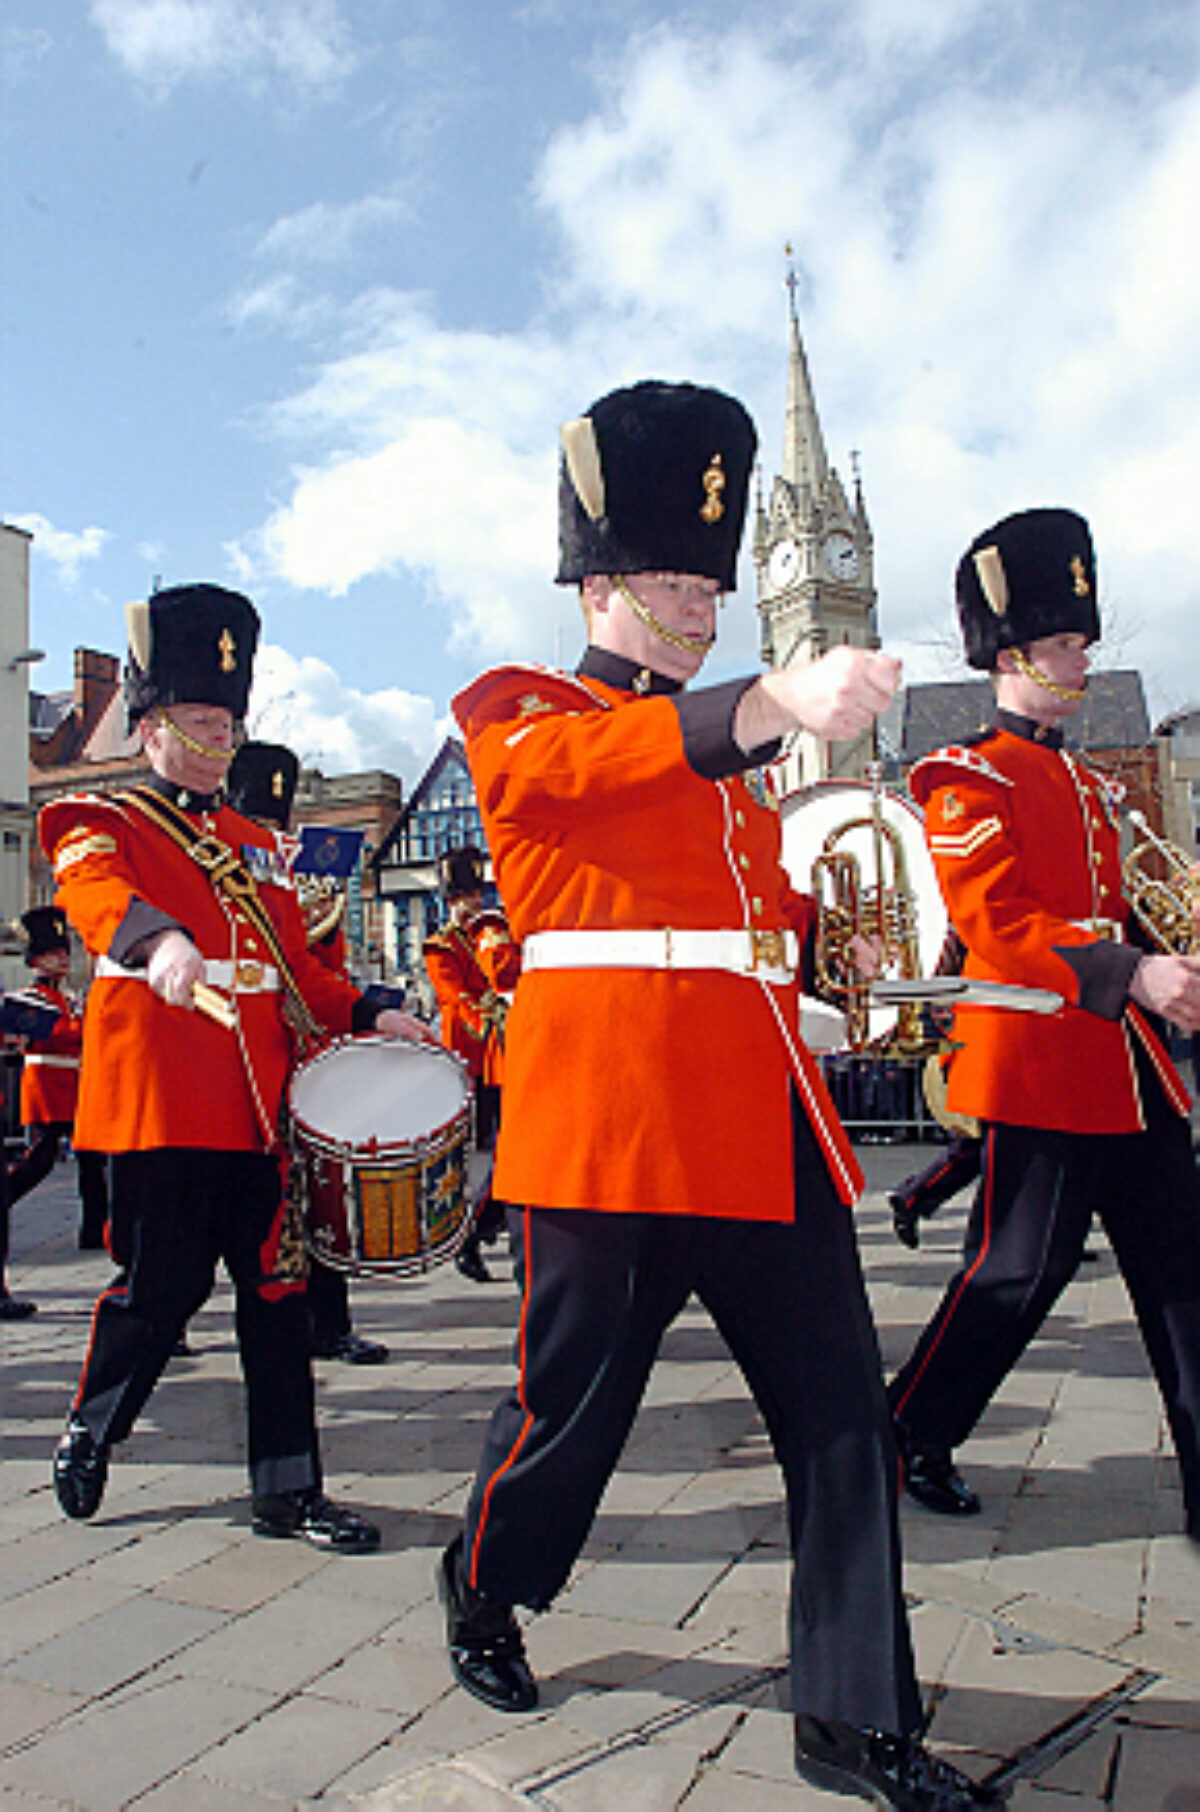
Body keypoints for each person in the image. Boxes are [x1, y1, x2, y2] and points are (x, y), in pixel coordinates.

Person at [436, 380, 1000, 1810]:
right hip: (611, 1134)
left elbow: (729, 915)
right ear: (605, 581)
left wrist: (805, 980)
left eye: (711, 582)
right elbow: (590, 776)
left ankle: (854, 1722)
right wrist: (762, 702)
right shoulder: (523, 713)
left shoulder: (734, 764)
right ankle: (486, 1574)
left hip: (757, 1123)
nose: (703, 606)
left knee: (840, 1424)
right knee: (571, 1420)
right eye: (678, 583)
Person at [42, 582, 432, 1548]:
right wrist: (152, 940)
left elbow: (298, 972)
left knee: (277, 1297)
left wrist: (378, 1007)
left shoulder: (259, 845)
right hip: (167, 1110)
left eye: (227, 719)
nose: (217, 737)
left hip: (261, 1116)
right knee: (158, 1293)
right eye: (197, 718)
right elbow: (90, 888)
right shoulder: (109, 820)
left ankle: (289, 1492)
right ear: (149, 725)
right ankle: (92, 1427)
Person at [888, 508, 1200, 1537]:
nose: (1082, 658)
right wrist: (1133, 975)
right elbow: (1001, 926)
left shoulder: (1084, 777)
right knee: (1016, 1277)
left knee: (1184, 1278)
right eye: (1066, 643)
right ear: (1012, 654)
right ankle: (912, 1432)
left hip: (1129, 1070)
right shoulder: (962, 777)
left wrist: (1170, 962)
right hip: (1041, 1067)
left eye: (1080, 640)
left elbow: (1122, 906)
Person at [225, 738, 388, 1365]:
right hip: (240, 1055)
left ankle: (327, 1323)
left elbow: (323, 969)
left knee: (318, 1196)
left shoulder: (308, 879)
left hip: (304, 1055)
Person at [423, 845, 520, 1282]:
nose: (473, 903)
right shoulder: (441, 945)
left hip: (500, 1053)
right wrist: (493, 1017)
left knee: (507, 1149)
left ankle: (479, 1230)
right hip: (469, 1050)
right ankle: (472, 1229)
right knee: (488, 1152)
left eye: (476, 894)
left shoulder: (494, 928)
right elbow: (455, 997)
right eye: (465, 895)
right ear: (450, 899)